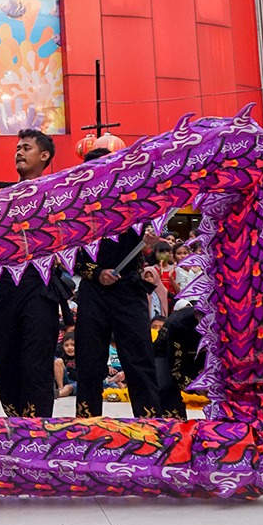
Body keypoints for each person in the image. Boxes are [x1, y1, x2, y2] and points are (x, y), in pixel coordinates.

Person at [72, 149, 162, 418]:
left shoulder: (135, 204)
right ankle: (87, 425)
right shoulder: (77, 210)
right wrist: (96, 272)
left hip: (128, 290)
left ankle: (149, 424)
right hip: (92, 292)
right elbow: (70, 257)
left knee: (139, 359)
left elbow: (150, 243)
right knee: (89, 362)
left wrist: (150, 241)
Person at [0, 129, 64, 418]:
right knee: (2, 361)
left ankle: (39, 430)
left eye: (26, 148)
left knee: (36, 363)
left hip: (39, 287)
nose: (19, 152)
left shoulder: (58, 193)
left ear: (44, 156)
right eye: (17, 148)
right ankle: (17, 422)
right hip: (5, 288)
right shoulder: (0, 193)